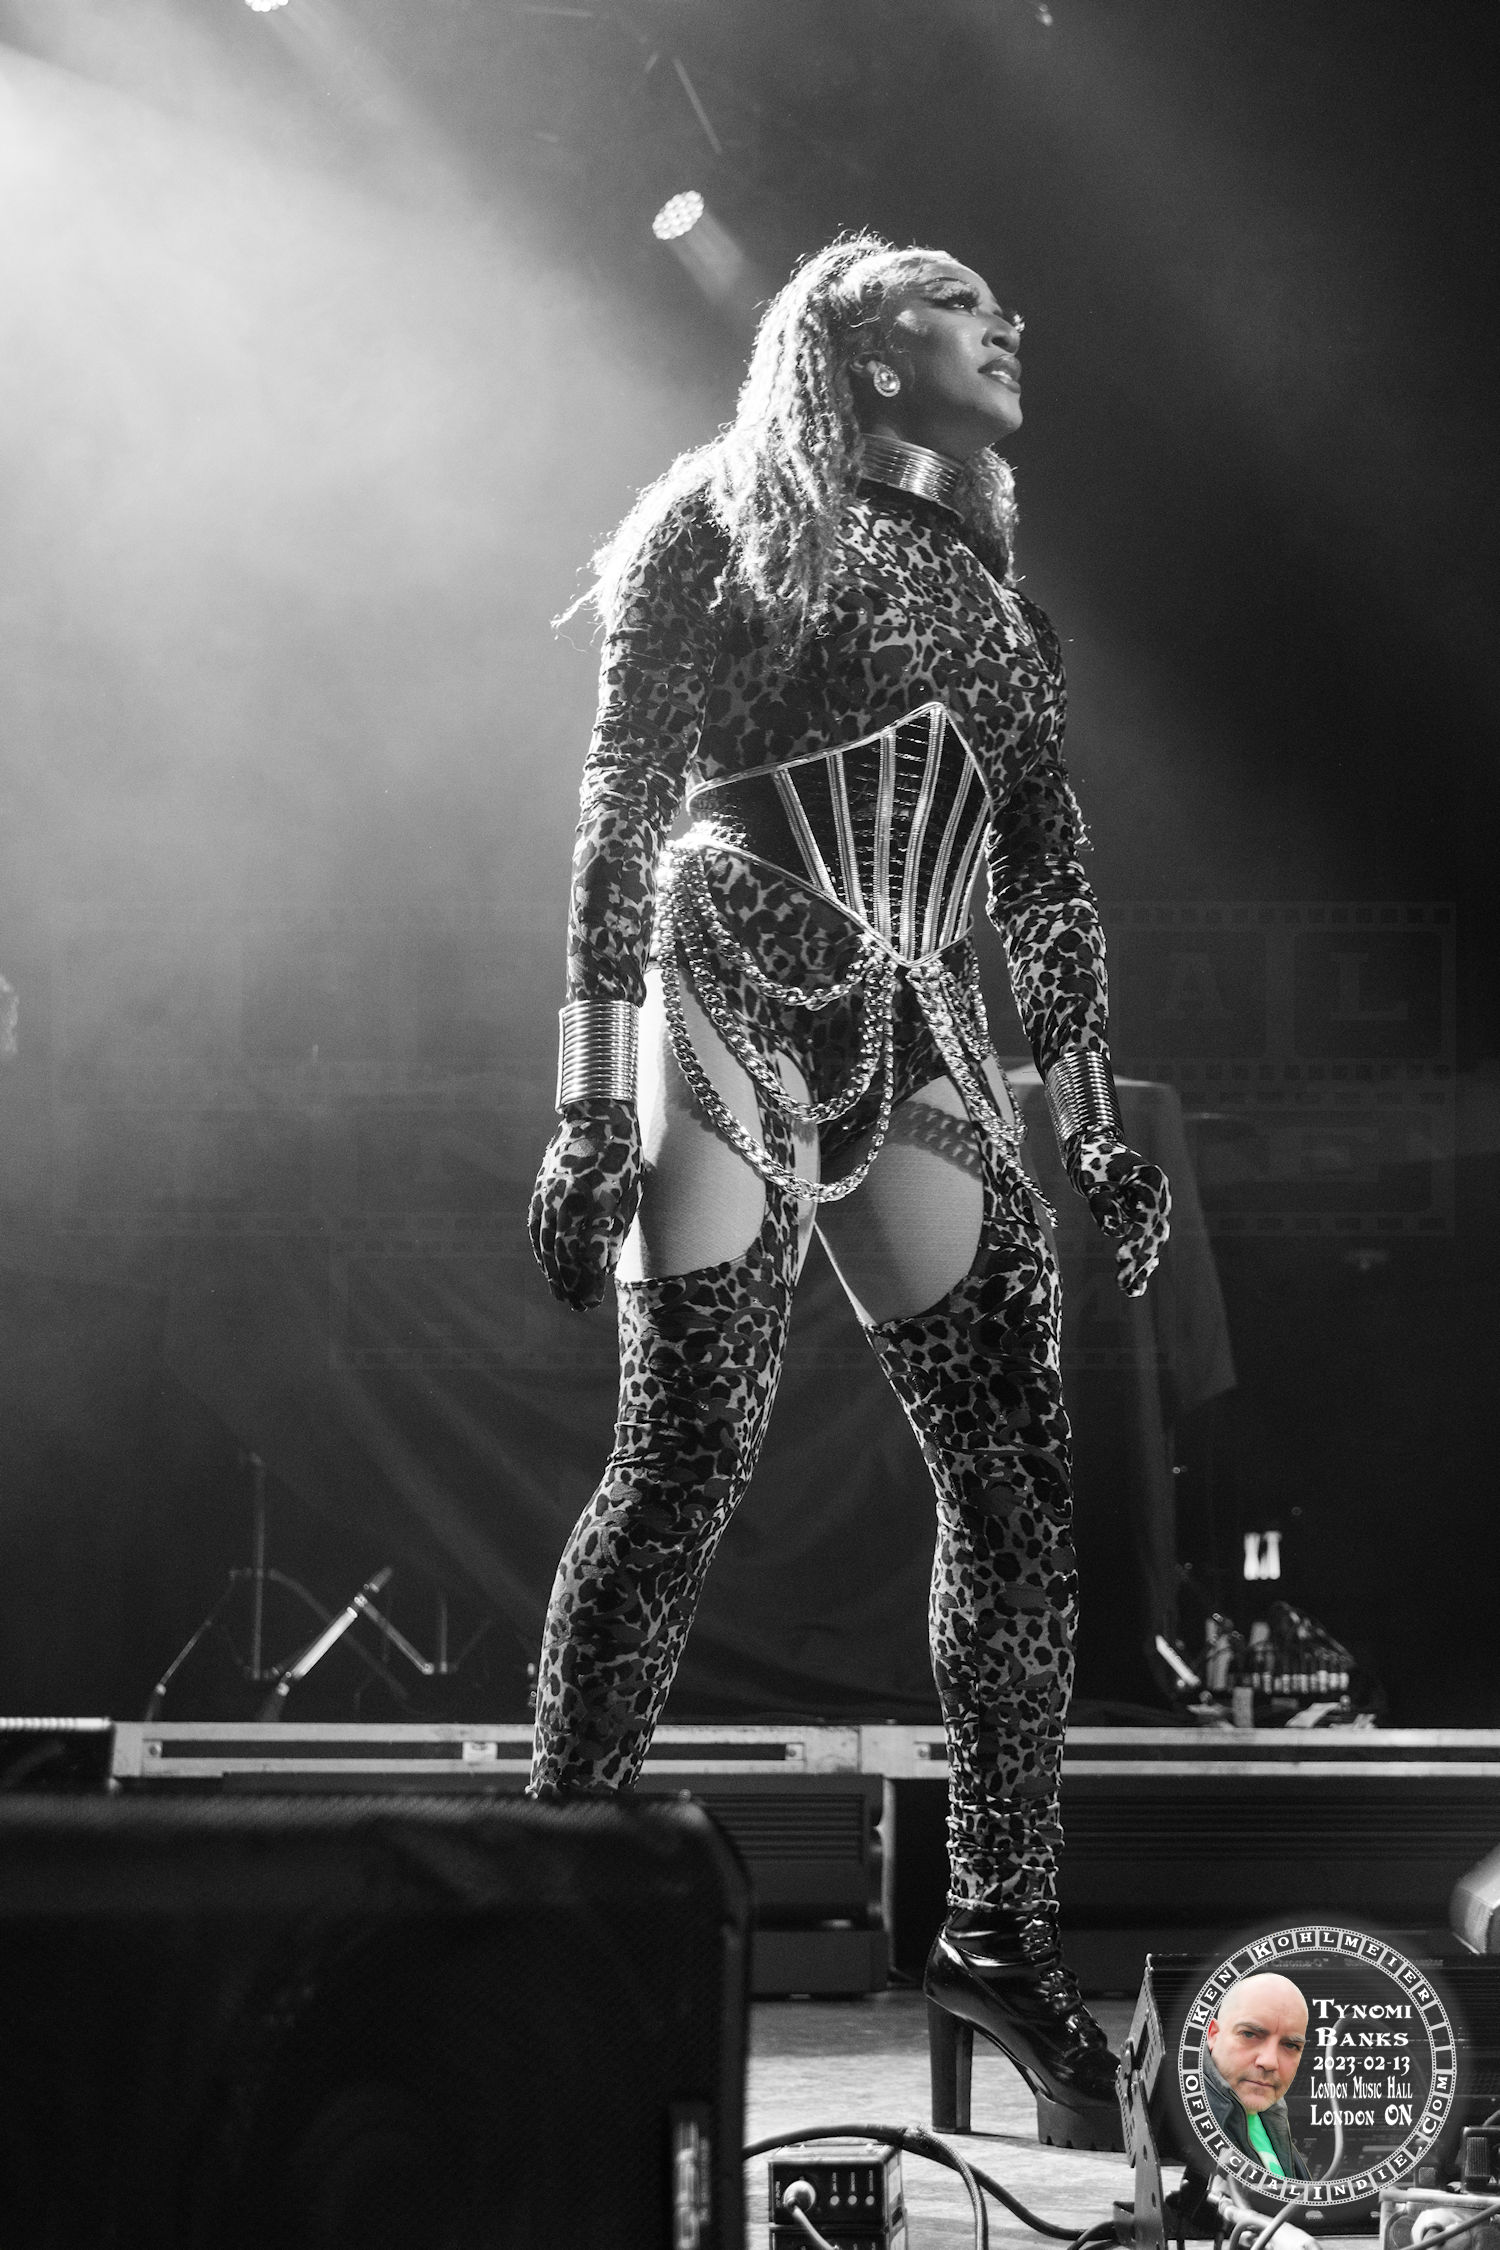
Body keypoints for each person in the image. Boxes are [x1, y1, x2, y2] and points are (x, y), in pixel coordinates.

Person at [527, 233, 1171, 2149]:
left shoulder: (998, 596)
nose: (1008, 324)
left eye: (1007, 306)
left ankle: (997, 1931)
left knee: (1021, 1498)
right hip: (732, 960)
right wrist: (585, 1102)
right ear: (864, 350)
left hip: (925, 1019)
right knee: (685, 1457)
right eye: (963, 305)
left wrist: (1094, 1116)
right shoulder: (716, 520)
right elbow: (619, 802)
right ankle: (548, 1906)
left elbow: (1045, 866)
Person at [1202, 1973, 1312, 2181]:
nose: (1269, 2061)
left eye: (1290, 2045)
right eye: (1249, 2034)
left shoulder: (1271, 2115)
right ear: (1213, 2035)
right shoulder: (1184, 2125)